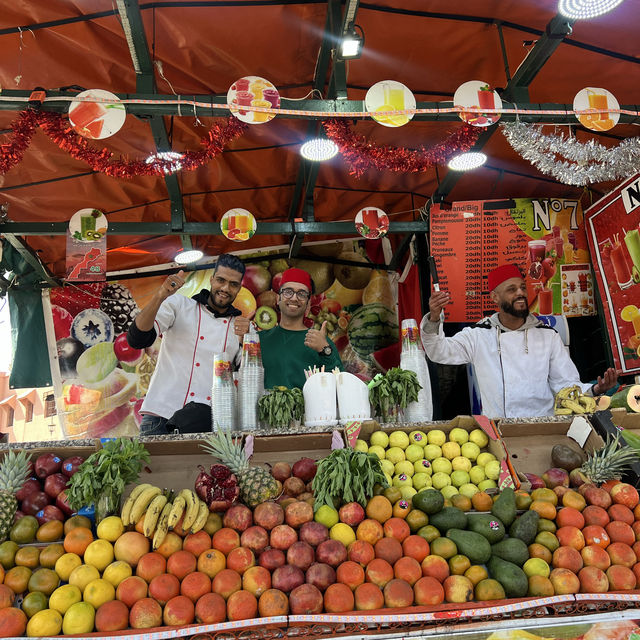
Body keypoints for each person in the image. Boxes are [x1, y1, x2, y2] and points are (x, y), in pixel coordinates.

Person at [420, 263, 617, 418]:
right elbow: (438, 351)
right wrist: (434, 318)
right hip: (498, 431)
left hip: (542, 428)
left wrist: (596, 389)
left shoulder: (548, 336)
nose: (520, 293)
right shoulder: (478, 335)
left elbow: (565, 385)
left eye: (522, 287)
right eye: (511, 289)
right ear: (495, 298)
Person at [127, 253, 250, 435]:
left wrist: (247, 340)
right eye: (221, 280)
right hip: (160, 418)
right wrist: (160, 295)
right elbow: (138, 338)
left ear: (239, 288)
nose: (225, 288)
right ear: (211, 279)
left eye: (233, 284)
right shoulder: (179, 305)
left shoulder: (240, 327)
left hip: (206, 425)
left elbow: (246, 379)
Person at [259, 267, 343, 389]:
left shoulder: (320, 342)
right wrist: (241, 339)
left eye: (302, 294)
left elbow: (340, 385)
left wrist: (325, 351)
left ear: (308, 304)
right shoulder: (259, 340)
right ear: (278, 299)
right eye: (288, 292)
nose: (294, 298)